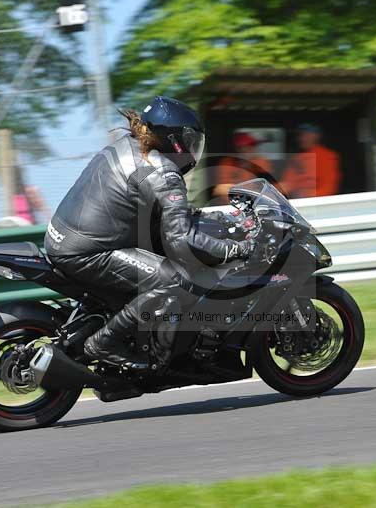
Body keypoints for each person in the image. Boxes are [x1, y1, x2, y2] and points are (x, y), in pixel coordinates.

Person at [44, 96, 255, 370]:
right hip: (89, 251)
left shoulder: (125, 147)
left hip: (64, 239)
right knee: (177, 280)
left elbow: (160, 214)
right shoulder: (164, 173)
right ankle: (104, 343)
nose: (193, 148)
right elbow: (181, 242)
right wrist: (234, 249)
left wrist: (212, 217)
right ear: (174, 139)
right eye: (190, 140)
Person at [281, 123, 341, 198]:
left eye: (306, 135)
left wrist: (309, 197)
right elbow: (288, 183)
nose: (302, 139)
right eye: (300, 135)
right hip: (297, 201)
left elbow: (329, 186)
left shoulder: (327, 156)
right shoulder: (296, 158)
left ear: (316, 136)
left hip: (316, 203)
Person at [212, 132, 274, 202]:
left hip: (257, 204)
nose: (251, 149)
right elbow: (220, 190)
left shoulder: (261, 162)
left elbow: (270, 188)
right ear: (237, 149)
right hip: (232, 206)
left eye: (252, 145)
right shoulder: (227, 163)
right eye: (246, 146)